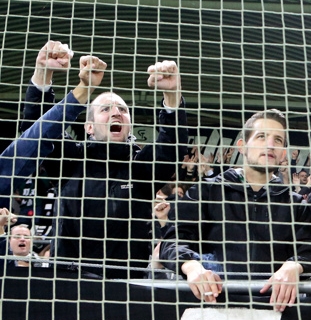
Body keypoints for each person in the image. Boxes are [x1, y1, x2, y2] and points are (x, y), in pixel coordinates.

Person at [0, 41, 188, 278]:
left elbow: (172, 146)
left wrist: (172, 96)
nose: (116, 112)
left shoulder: (140, 166)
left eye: (122, 109)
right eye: (105, 109)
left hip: (127, 286)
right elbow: (38, 133)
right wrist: (43, 74)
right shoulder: (70, 159)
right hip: (67, 283)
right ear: (89, 127)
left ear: (129, 126)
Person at [160, 110, 311, 311]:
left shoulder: (295, 205)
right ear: (242, 146)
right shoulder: (206, 192)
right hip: (211, 311)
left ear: (283, 154)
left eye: (278, 140)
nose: (270, 144)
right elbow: (172, 241)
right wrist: (191, 266)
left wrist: (295, 265)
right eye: (262, 136)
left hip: (275, 315)